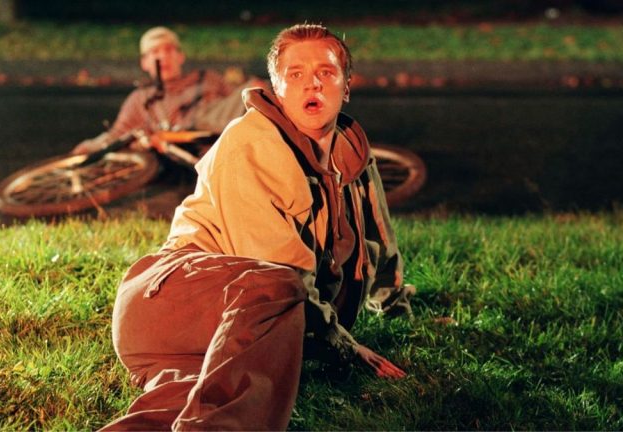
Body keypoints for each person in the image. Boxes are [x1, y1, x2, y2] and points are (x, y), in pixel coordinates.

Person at [102, 23, 415, 431]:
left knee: (177, 407)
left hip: (227, 328)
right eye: (295, 74)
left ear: (347, 86)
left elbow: (379, 237)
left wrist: (395, 305)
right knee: (279, 283)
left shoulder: (351, 150)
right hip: (172, 302)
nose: (312, 84)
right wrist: (344, 345)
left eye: (326, 71)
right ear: (276, 88)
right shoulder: (251, 142)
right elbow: (278, 272)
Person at [72, 26, 252, 154]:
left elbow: (237, 103)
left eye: (168, 50)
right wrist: (91, 147)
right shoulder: (141, 98)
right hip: (181, 151)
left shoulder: (207, 78)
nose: (163, 57)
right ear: (144, 63)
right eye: (155, 52)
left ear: (180, 57)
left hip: (221, 138)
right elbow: (118, 134)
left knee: (252, 91)